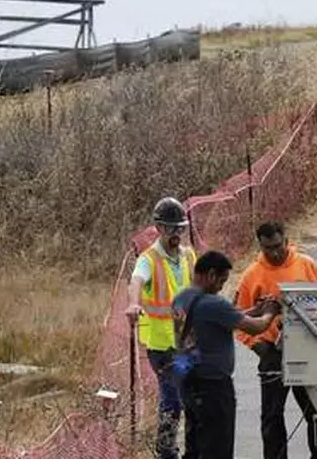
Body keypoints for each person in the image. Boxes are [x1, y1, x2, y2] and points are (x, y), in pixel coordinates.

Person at [234, 221, 317, 459]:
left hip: (307, 348)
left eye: (278, 246)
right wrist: (257, 345)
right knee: (272, 417)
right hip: (272, 352)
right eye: (268, 248)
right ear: (261, 246)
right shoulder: (251, 276)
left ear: (286, 241)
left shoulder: (306, 265)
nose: (275, 253)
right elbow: (238, 319)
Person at [173, 250, 280, 459]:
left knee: (195, 446)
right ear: (211, 275)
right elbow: (256, 328)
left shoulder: (182, 298)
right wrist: (271, 312)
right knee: (218, 448)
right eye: (221, 281)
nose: (221, 287)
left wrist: (256, 309)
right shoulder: (214, 303)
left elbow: (222, 318)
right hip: (213, 388)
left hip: (189, 382)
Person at [126, 196, 198, 459]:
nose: (176, 234)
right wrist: (134, 304)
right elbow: (136, 281)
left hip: (187, 343)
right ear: (158, 228)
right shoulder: (149, 259)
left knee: (194, 400)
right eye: (171, 229)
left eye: (180, 229)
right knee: (172, 401)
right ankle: (166, 452)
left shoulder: (189, 255)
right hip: (162, 347)